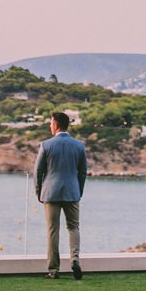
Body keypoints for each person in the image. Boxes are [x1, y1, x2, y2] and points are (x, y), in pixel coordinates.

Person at [34, 111, 88, 279]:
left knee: (52, 231)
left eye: (51, 123)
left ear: (56, 125)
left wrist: (39, 192)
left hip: (51, 193)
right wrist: (79, 191)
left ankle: (53, 270)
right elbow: (83, 173)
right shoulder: (79, 146)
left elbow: (38, 172)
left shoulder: (46, 145)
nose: (50, 126)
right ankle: (75, 260)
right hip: (72, 192)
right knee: (73, 227)